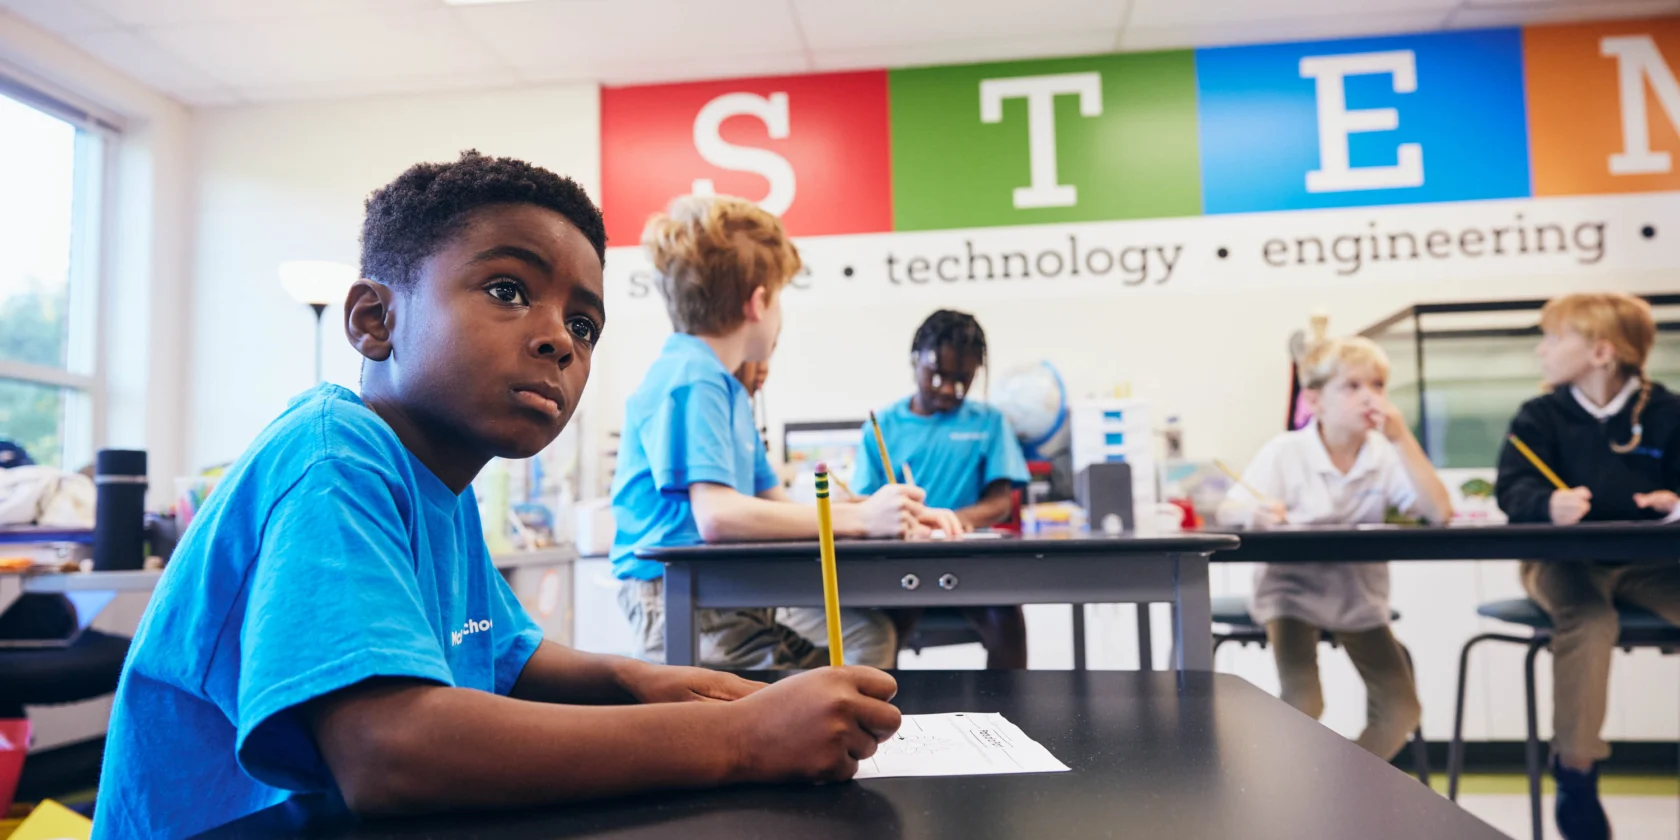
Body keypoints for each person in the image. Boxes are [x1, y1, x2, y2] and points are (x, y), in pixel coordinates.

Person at [93, 154, 902, 839]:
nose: (558, 338)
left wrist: (634, 681)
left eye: (584, 327)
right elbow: (389, 749)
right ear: (376, 320)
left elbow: (503, 651)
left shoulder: (442, 480)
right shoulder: (333, 457)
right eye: (509, 290)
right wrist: (737, 738)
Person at [612, 193, 936, 669]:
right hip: (682, 604)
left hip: (724, 597)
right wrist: (862, 522)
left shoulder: (726, 389)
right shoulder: (692, 376)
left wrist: (885, 510)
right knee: (841, 685)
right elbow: (718, 517)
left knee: (860, 655)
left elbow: (777, 508)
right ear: (759, 302)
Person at [1495, 292, 1680, 840]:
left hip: (1652, 564)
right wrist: (1545, 506)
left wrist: (1675, 504)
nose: (1541, 351)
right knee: (1589, 621)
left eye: (1553, 338)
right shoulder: (1538, 416)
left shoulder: (1668, 413)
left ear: (1602, 352)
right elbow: (1513, 489)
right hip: (1564, 562)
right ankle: (1576, 773)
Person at [1218, 336, 1452, 760]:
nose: (1370, 398)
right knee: (1304, 702)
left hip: (1358, 598)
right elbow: (1229, 509)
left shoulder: (1384, 454)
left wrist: (1404, 441)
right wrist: (1256, 513)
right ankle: (1292, 797)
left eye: (1378, 386)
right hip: (1291, 595)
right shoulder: (1285, 451)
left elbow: (1438, 512)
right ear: (1314, 400)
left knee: (1401, 707)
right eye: (1352, 386)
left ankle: (1344, 790)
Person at [852, 310, 1031, 669]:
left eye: (963, 380)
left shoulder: (989, 422)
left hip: (971, 564)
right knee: (881, 633)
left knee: (1008, 624)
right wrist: (907, 521)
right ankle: (885, 717)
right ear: (914, 360)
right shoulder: (882, 426)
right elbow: (862, 503)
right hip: (903, 564)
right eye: (938, 376)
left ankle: (1004, 717)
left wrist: (955, 520)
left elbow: (1001, 501)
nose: (949, 390)